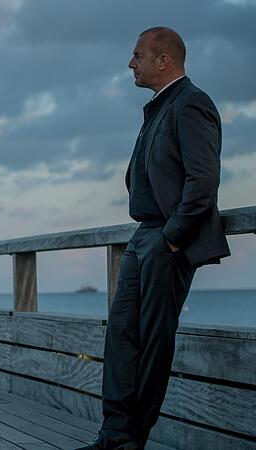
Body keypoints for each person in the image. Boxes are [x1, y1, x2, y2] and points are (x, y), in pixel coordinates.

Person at [77, 27, 230, 450]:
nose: (131, 63)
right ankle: (113, 435)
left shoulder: (192, 103)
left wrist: (173, 238)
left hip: (166, 240)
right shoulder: (160, 107)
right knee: (121, 334)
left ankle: (131, 440)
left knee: (151, 342)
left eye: (138, 55)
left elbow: (203, 180)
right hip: (143, 235)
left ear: (164, 60)